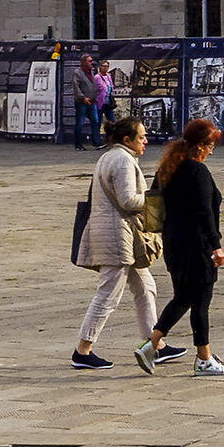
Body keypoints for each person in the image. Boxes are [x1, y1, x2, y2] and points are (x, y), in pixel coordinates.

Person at [71, 114, 162, 373]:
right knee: (108, 294)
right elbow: (127, 201)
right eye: (141, 137)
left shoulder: (108, 156)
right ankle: (83, 351)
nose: (146, 141)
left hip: (115, 233)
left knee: (146, 287)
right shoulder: (123, 160)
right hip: (117, 236)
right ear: (127, 139)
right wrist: (155, 200)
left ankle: (156, 344)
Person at [150, 118, 224, 376]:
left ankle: (150, 344)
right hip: (197, 246)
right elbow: (204, 212)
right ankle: (203, 358)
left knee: (183, 296)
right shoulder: (198, 172)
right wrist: (216, 246)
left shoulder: (168, 169)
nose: (210, 151)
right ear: (200, 146)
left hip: (174, 243)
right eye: (210, 146)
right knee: (201, 301)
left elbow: (154, 202)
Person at [73, 55, 102, 150]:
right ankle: (78, 144)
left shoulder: (92, 72)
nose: (91, 63)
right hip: (82, 102)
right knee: (80, 123)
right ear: (84, 62)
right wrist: (83, 97)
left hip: (92, 102)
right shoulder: (77, 73)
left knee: (95, 121)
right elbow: (76, 87)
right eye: (89, 61)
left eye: (91, 61)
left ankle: (96, 142)